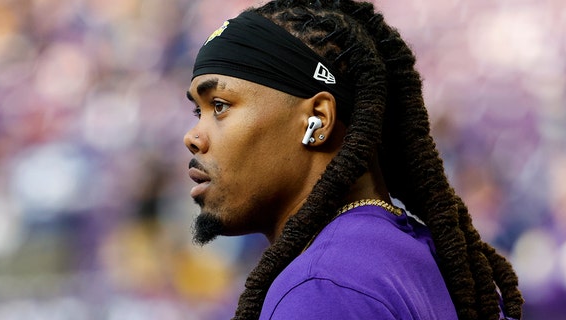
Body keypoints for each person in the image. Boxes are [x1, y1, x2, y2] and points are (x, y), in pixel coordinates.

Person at [183, 1, 524, 319]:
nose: (193, 137)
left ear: (317, 120)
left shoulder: (320, 289)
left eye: (220, 106)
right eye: (199, 111)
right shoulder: (435, 257)